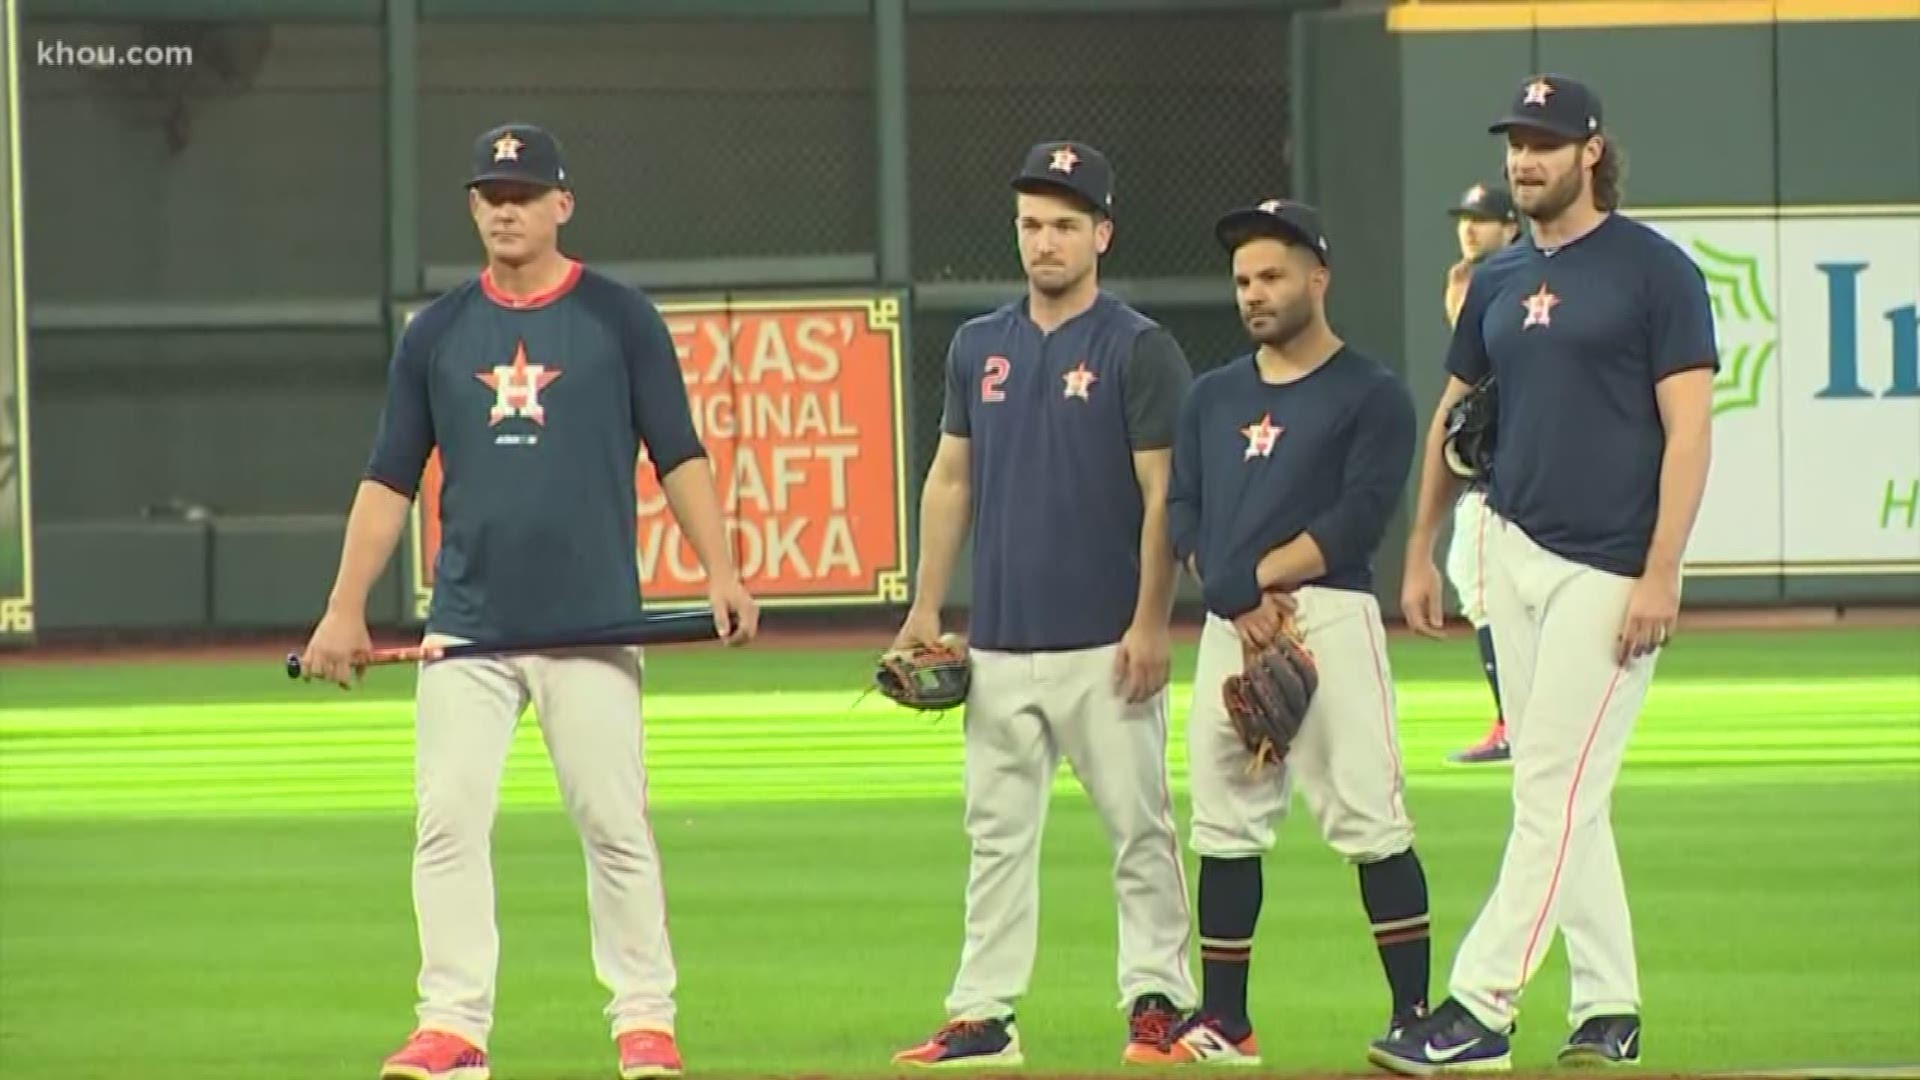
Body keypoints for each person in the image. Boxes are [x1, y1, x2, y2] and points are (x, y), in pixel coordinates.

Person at [298, 123, 760, 1080]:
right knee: (448, 819)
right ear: (474, 207)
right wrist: (344, 608)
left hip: (592, 622)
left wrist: (720, 569)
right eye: (490, 195)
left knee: (613, 822)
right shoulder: (435, 333)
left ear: (563, 204)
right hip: (467, 626)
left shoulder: (619, 318)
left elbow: (678, 454)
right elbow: (389, 480)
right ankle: (453, 1028)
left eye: (524, 193)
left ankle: (644, 1020)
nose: (506, 209)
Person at [1373, 74, 1715, 1074]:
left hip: (1611, 566)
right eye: (1517, 142)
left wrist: (1664, 572)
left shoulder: (1656, 271)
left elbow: (1689, 432)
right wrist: (1424, 543)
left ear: (1592, 151)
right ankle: (1609, 1007)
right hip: (1510, 543)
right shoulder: (1495, 278)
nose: (1526, 158)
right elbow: (1454, 411)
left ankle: (1481, 1007)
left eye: (1546, 141)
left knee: (1553, 791)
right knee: (1560, 790)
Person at [887, 140, 1199, 1068]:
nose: (1045, 241)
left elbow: (1162, 498)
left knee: (1140, 829)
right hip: (1001, 643)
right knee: (994, 837)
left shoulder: (1140, 348)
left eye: (1066, 224)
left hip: (1106, 643)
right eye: (1031, 223)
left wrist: (1151, 622)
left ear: (1101, 232)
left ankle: (1158, 998)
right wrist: (923, 607)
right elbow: (950, 481)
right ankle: (984, 1013)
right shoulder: (979, 345)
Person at [1144, 199, 1429, 1065]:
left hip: (1328, 617)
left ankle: (1415, 1017)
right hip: (1234, 623)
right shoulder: (1213, 394)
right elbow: (1182, 504)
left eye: (1271, 275)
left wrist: (1253, 578)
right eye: (1242, 280)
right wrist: (1231, 595)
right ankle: (1227, 1021)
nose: (1254, 293)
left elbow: (1359, 519)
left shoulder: (1372, 395)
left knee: (1371, 821)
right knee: (1225, 823)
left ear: (1318, 277)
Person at [1440, 183, 1522, 766]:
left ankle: (1514, 721)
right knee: (1480, 581)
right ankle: (1518, 718)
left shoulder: (1512, 282)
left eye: (1485, 219)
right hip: (1493, 466)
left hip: (1511, 472)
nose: (1472, 229)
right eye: (1466, 219)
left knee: (1482, 583)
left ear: (1510, 227)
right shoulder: (1474, 284)